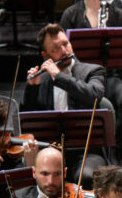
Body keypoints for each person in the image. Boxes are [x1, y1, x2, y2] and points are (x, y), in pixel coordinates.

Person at [57, 0, 122, 163]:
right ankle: (103, 149)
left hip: (110, 76)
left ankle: (115, 145)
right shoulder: (72, 13)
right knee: (106, 104)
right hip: (83, 78)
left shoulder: (117, 14)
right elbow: (60, 49)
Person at [23, 24, 110, 184]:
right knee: (34, 175)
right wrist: (33, 87)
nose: (64, 50)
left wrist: (59, 76)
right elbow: (29, 118)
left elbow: (94, 95)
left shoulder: (92, 71)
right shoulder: (43, 79)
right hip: (50, 150)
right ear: (45, 55)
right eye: (56, 48)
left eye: (66, 44)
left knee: (85, 176)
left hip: (85, 151)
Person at [13, 146, 87, 198]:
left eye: (57, 174)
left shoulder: (76, 196)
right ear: (34, 172)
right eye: (45, 174)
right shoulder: (18, 197)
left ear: (64, 173)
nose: (50, 181)